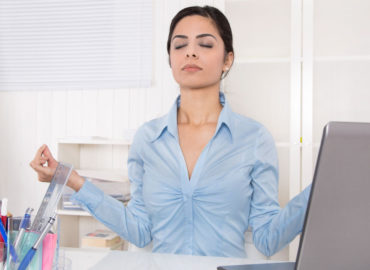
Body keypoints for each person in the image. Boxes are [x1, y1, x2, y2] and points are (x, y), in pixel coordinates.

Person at [30, 6, 311, 258]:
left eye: (205, 44)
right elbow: (139, 230)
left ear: (227, 60)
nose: (190, 52)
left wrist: (321, 189)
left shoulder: (254, 138)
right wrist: (72, 180)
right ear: (170, 60)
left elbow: (268, 238)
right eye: (180, 45)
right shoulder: (147, 139)